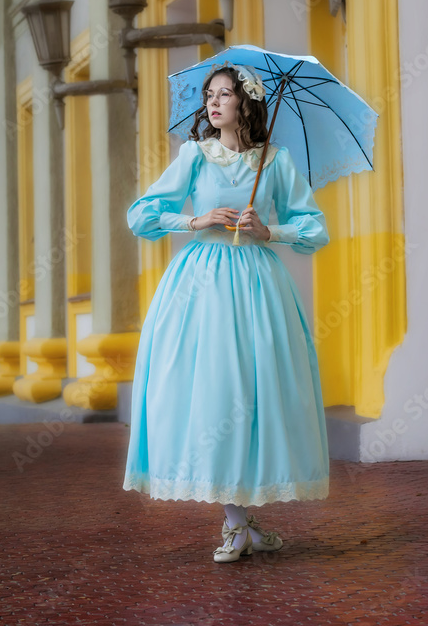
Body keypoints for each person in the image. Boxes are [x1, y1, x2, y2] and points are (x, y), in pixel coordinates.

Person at [122, 60, 331, 563]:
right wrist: (196, 219)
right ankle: (236, 522)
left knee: (258, 391)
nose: (213, 102)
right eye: (209, 95)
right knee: (217, 390)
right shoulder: (194, 155)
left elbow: (314, 227)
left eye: (224, 94)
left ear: (246, 103)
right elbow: (141, 215)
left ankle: (242, 519)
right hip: (201, 285)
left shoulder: (274, 162)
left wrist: (269, 232)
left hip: (258, 285)